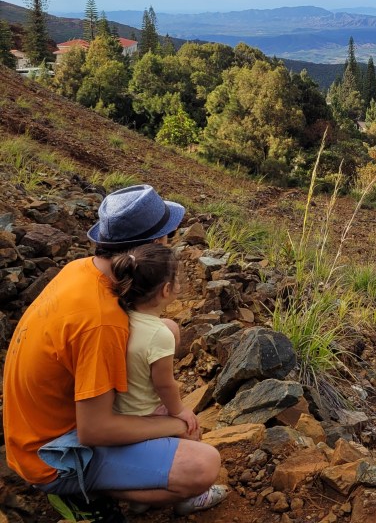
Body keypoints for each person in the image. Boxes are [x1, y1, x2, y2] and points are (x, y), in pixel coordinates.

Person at [3, 185, 223, 523]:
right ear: (154, 247)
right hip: (51, 453)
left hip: (39, 421)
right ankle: (79, 493)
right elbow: (94, 430)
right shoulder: (102, 322)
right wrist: (172, 424)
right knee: (203, 464)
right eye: (168, 235)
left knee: (167, 330)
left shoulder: (82, 269)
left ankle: (134, 468)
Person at [110, 243, 227, 515]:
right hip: (145, 414)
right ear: (165, 290)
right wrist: (179, 412)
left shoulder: (122, 316)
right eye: (176, 279)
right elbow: (164, 384)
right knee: (191, 431)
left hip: (121, 409)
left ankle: (141, 497)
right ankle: (190, 497)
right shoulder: (157, 335)